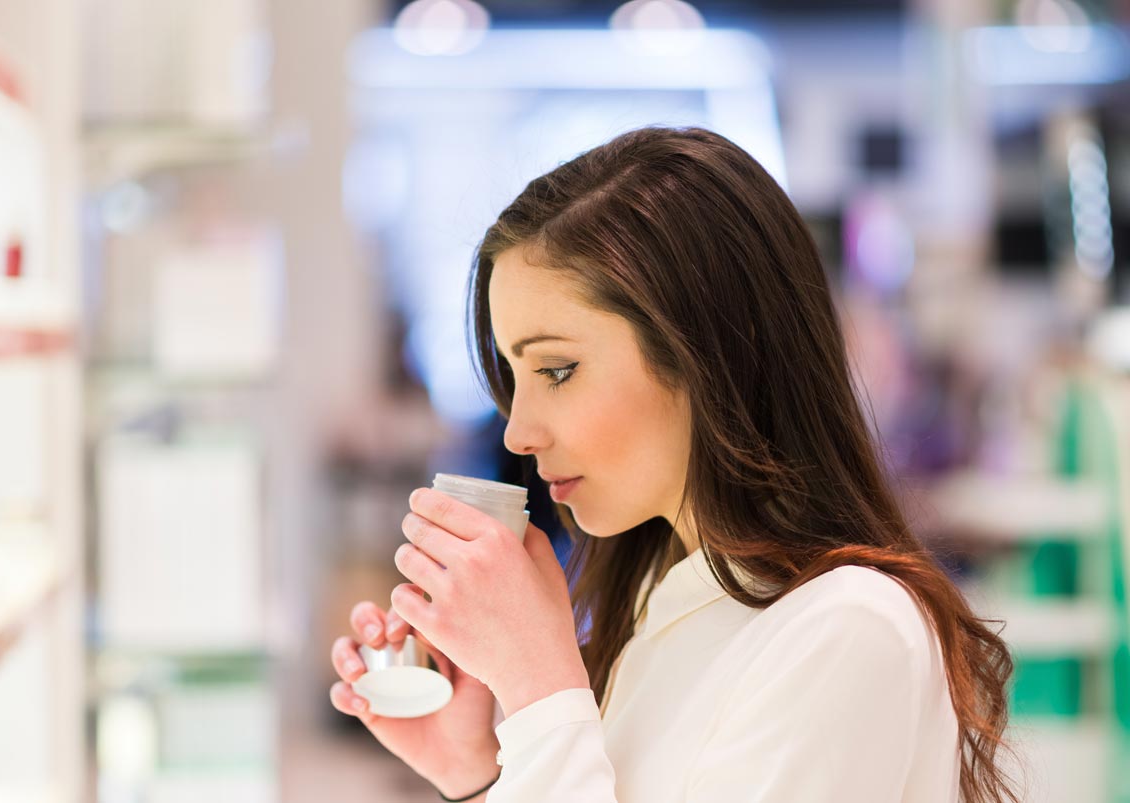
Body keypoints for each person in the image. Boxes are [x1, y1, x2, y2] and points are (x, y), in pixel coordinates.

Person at [330, 126, 1021, 803]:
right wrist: (477, 770)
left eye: (559, 369)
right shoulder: (663, 602)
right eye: (515, 376)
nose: (518, 432)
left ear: (706, 351)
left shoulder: (848, 629)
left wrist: (539, 686)